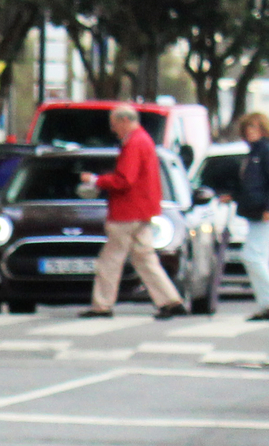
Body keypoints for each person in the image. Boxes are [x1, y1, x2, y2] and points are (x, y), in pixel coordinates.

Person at [77, 104, 187, 319]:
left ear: (124, 121)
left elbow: (125, 180)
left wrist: (96, 180)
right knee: (145, 259)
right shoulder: (144, 141)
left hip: (127, 212)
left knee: (110, 260)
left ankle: (102, 305)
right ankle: (170, 300)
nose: (113, 129)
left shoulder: (134, 143)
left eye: (115, 124)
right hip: (142, 210)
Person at [225, 111, 269, 322]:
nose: (249, 132)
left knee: (250, 255)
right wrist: (234, 196)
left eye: (253, 127)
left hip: (265, 211)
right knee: (260, 257)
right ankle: (266, 305)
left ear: (263, 128)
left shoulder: (267, 151)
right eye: (247, 128)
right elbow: (251, 185)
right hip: (255, 211)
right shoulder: (253, 153)